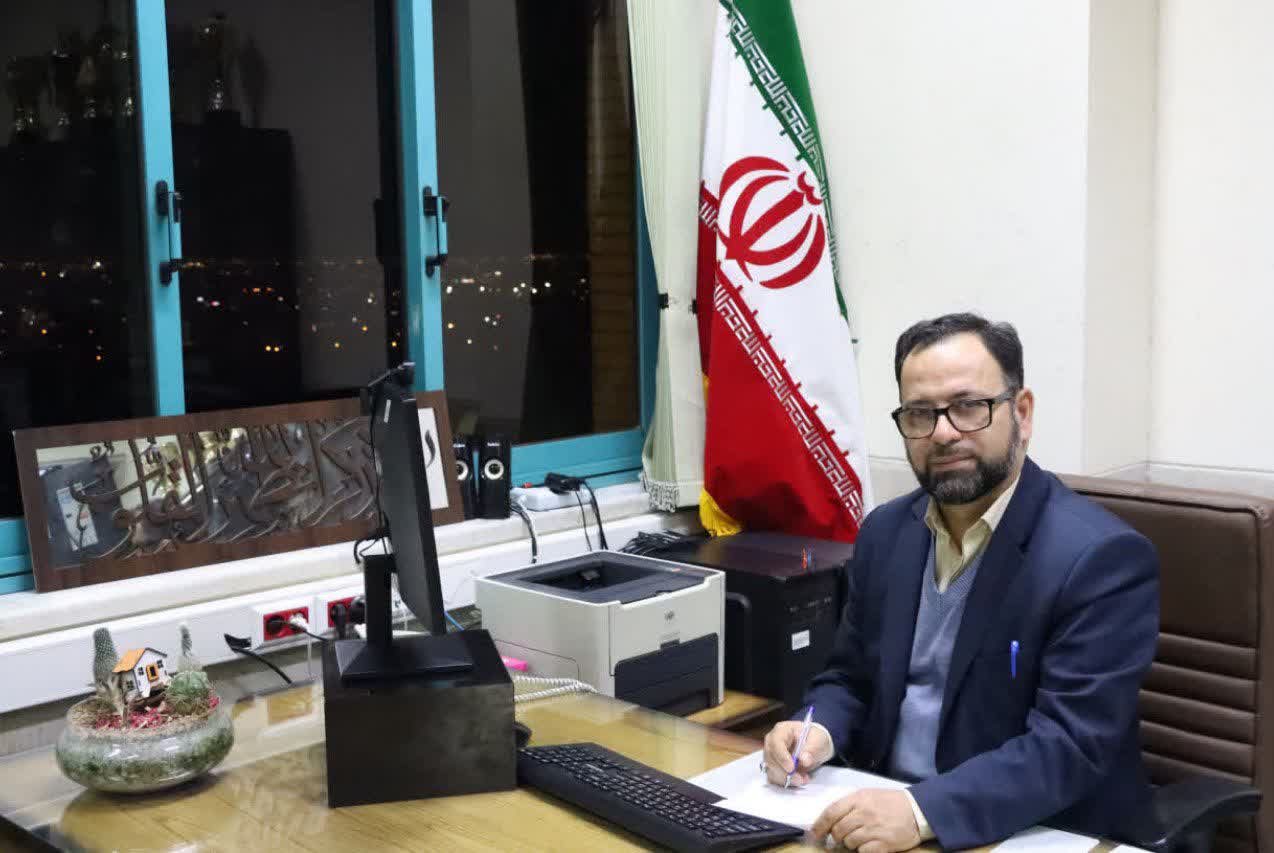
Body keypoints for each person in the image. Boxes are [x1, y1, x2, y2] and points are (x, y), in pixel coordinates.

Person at [762, 313, 1159, 851]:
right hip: (886, 813)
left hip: (1032, 831)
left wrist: (920, 811)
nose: (944, 433)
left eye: (969, 406)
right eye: (920, 413)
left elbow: (1068, 745)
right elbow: (850, 678)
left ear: (1022, 413)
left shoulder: (1100, 559)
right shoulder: (885, 533)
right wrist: (814, 729)